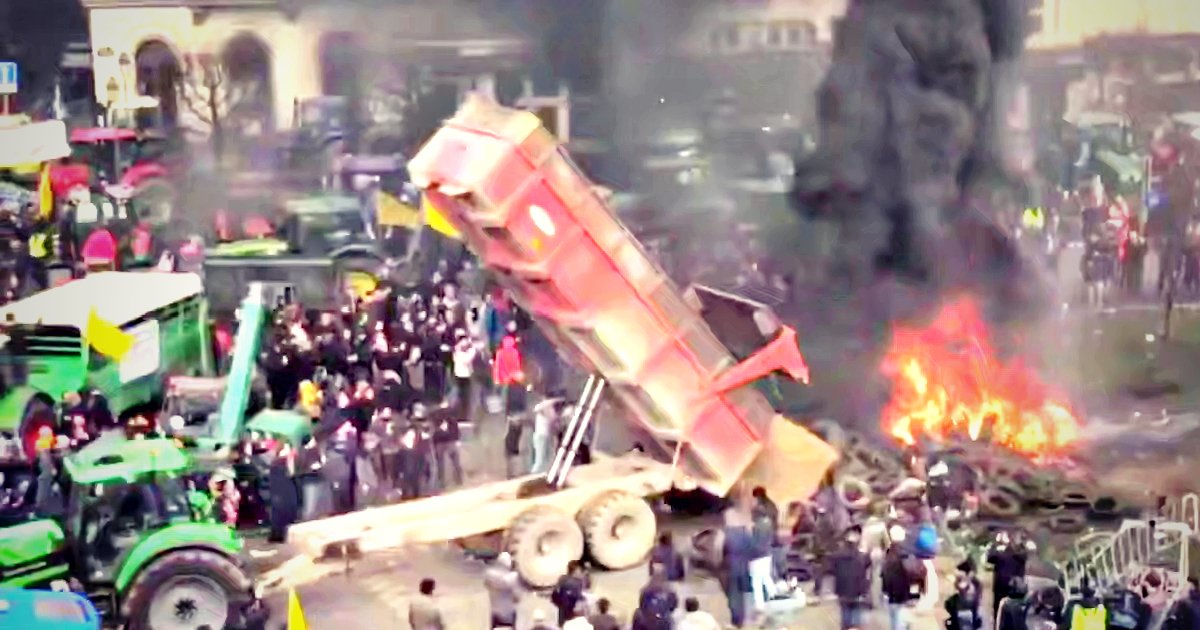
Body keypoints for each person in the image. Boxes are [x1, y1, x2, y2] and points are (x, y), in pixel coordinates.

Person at [881, 527, 924, 630]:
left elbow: (887, 575)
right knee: (904, 622)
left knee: (896, 622)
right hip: (907, 595)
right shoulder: (911, 551)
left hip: (895, 595)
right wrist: (915, 595)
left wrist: (885, 592)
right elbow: (917, 574)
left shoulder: (890, 553)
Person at [988, 531, 1031, 618]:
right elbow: (990, 558)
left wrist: (996, 543)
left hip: (1008, 587)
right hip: (1008, 587)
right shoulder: (1013, 554)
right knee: (1008, 611)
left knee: (1001, 611)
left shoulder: (1014, 554)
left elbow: (991, 557)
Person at [632, 565, 678, 630]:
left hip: (658, 619)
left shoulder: (670, 591)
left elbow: (673, 606)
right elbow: (642, 605)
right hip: (655, 618)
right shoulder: (647, 591)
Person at [485, 552, 522, 629]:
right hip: (509, 612)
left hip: (495, 612)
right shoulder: (512, 578)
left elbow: (486, 584)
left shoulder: (490, 575)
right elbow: (517, 598)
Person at [431, 403, 463, 490]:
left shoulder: (439, 418)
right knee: (451, 462)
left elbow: (455, 430)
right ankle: (455, 481)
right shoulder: (448, 418)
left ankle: (446, 482)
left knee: (444, 463)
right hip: (446, 441)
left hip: (445, 441)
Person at [551, 561, 589, 626]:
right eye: (579, 570)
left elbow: (555, 592)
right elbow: (578, 596)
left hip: (562, 608)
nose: (580, 572)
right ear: (575, 571)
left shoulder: (562, 578)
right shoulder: (576, 582)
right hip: (573, 611)